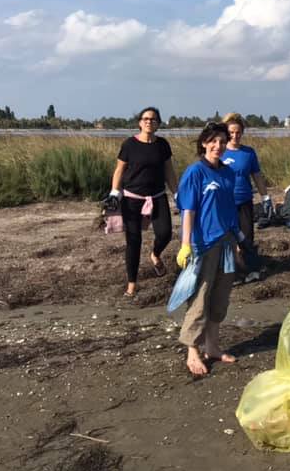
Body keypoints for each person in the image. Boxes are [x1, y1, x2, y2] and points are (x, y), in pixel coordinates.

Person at [175, 122, 241, 376]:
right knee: (200, 297)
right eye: (213, 141)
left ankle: (212, 346)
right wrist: (185, 245)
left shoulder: (228, 172)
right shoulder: (195, 172)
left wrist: (237, 239)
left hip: (226, 242)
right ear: (204, 143)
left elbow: (229, 209)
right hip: (202, 245)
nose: (218, 146)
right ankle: (192, 350)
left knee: (220, 297)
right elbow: (188, 210)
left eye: (222, 141)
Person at [106, 106, 178, 297]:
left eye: (153, 119)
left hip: (158, 196)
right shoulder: (129, 144)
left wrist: (177, 193)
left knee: (165, 233)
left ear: (158, 124)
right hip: (132, 198)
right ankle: (132, 284)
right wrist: (114, 193)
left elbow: (169, 171)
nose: (149, 122)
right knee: (133, 241)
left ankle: (155, 254)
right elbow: (119, 170)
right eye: (145, 119)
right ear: (139, 122)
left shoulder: (163, 145)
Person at [221, 112, 273, 284]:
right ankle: (233, 273)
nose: (235, 135)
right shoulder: (219, 151)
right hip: (224, 203)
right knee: (228, 239)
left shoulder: (248, 153)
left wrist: (265, 197)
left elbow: (257, 176)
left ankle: (250, 269)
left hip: (244, 201)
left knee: (247, 238)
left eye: (238, 132)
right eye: (231, 132)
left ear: (242, 132)